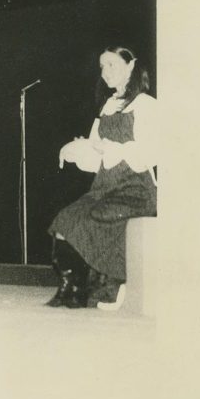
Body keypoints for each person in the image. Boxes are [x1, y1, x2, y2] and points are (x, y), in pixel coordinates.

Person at [47, 46, 157, 310]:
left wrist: (106, 147)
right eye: (102, 66)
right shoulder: (107, 106)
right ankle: (71, 289)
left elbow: (150, 153)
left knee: (98, 216)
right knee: (66, 219)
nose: (105, 72)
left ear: (131, 66)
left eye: (111, 65)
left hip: (135, 189)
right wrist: (76, 150)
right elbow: (96, 157)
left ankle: (114, 286)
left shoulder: (146, 105)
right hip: (105, 187)